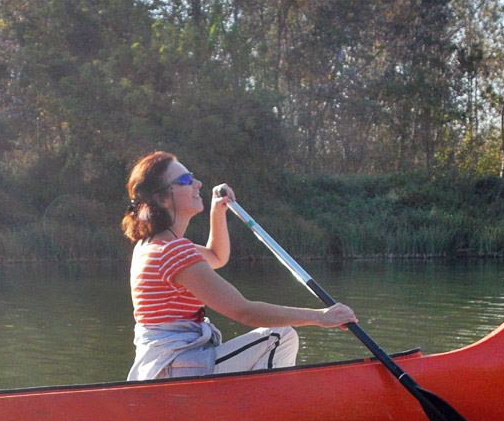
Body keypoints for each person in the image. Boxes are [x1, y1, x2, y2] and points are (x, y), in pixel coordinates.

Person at [122, 151, 357, 381]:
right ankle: (270, 415)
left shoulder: (151, 246)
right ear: (162, 199)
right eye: (186, 180)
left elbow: (217, 256)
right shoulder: (172, 251)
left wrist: (218, 210)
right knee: (280, 336)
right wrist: (320, 317)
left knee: (278, 337)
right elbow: (245, 312)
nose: (198, 183)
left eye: (192, 176)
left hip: (166, 367)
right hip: (176, 368)